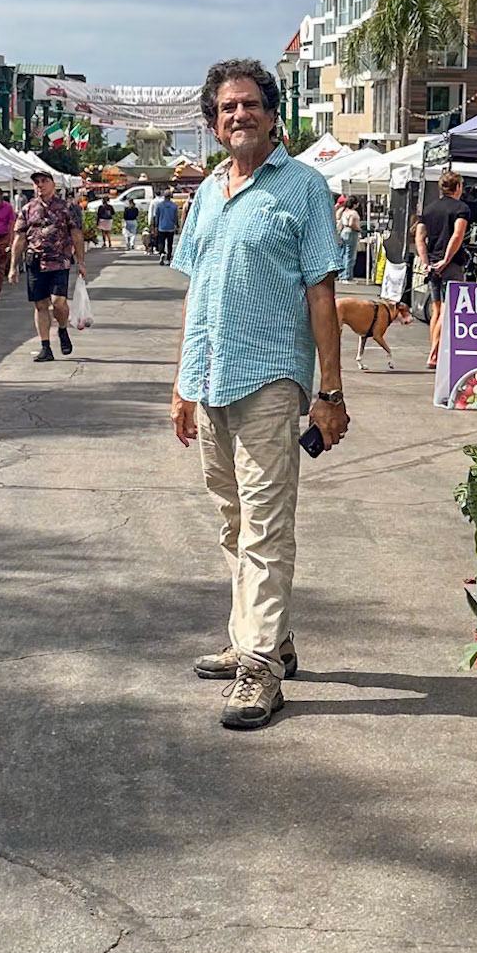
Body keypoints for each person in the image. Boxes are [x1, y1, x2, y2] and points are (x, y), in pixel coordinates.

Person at [171, 59, 348, 731]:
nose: (237, 115)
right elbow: (196, 295)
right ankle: (265, 634)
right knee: (231, 521)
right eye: (224, 109)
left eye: (248, 104)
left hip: (271, 379)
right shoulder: (208, 193)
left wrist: (328, 391)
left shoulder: (302, 187)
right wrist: (181, 385)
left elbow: (320, 291)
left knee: (266, 525)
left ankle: (258, 669)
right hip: (209, 379)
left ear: (272, 115)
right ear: (214, 125)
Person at [11, 167, 87, 362]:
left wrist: (81, 261)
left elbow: (77, 235)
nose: (40, 185)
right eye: (37, 182)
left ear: (53, 184)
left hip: (59, 261)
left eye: (44, 181)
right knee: (40, 305)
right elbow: (19, 238)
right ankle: (45, 347)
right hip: (35, 261)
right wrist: (13, 267)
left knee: (58, 302)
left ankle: (62, 329)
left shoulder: (67, 207)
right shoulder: (28, 209)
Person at [414, 169, 473, 369]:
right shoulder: (461, 209)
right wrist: (447, 260)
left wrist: (425, 261)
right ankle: (433, 354)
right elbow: (457, 235)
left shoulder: (428, 210)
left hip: (432, 265)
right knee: (448, 310)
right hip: (451, 265)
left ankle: (435, 352)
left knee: (436, 309)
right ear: (457, 187)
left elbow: (419, 237)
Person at [336, 197, 362, 278]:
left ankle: (341, 274)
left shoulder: (344, 211)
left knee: (343, 253)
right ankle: (347, 275)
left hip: (344, 232)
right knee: (350, 255)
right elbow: (351, 223)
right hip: (351, 232)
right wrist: (358, 229)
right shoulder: (353, 213)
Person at [151, 189, 179, 264]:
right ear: (170, 196)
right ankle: (169, 258)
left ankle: (162, 253)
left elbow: (157, 217)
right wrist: (176, 225)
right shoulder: (174, 206)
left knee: (161, 242)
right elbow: (176, 217)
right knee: (170, 244)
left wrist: (155, 226)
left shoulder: (159, 205)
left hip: (161, 227)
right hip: (170, 227)